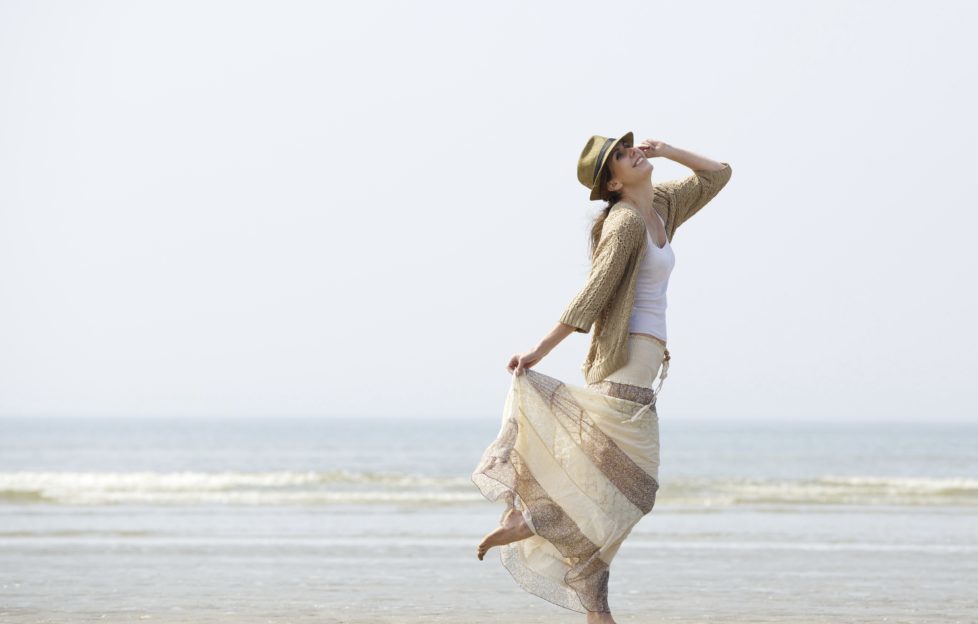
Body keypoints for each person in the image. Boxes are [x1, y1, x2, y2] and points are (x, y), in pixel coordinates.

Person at [471, 131, 732, 623]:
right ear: (612, 181)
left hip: (643, 361)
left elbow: (718, 174)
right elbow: (593, 293)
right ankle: (530, 520)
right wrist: (540, 350)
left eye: (629, 146)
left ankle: (585, 591)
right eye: (621, 155)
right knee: (630, 489)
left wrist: (670, 151)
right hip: (626, 359)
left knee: (607, 488)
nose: (632, 152)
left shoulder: (662, 206)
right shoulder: (626, 223)